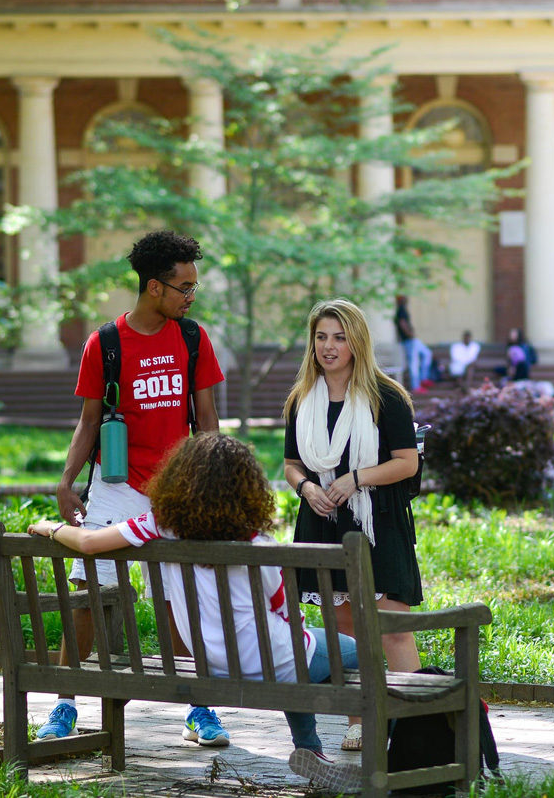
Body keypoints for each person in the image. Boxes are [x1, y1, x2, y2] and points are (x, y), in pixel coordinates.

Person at [28, 435, 364, 794]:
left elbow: (91, 543)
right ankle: (339, 748)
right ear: (246, 488)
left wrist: (50, 527)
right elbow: (283, 612)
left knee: (296, 659)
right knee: (358, 653)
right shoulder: (258, 544)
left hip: (208, 665)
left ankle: (312, 753)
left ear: (178, 478)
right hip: (274, 661)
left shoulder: (159, 525)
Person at [41, 230, 230, 747]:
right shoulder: (104, 343)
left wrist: (210, 481)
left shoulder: (193, 338)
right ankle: (64, 706)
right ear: (154, 287)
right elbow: (88, 420)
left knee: (181, 600)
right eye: (184, 287)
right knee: (89, 598)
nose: (191, 296)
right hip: (117, 486)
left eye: (193, 286)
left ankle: (199, 708)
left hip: (178, 491)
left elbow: (207, 416)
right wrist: (66, 482)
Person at [283, 298, 423, 752]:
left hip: (377, 525)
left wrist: (355, 479)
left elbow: (406, 464)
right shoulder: (302, 399)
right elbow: (290, 464)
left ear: (357, 341)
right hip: (322, 524)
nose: (329, 346)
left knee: (394, 628)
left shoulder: (387, 397)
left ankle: (413, 726)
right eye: (321, 337)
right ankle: (359, 720)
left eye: (340, 337)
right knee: (344, 633)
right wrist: (307, 487)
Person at [393, 293, 433, 394]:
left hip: (412, 340)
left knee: (427, 353)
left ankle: (424, 378)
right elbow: (402, 323)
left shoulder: (402, 310)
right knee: (414, 363)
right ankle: (416, 386)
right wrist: (410, 334)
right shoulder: (401, 310)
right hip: (408, 341)